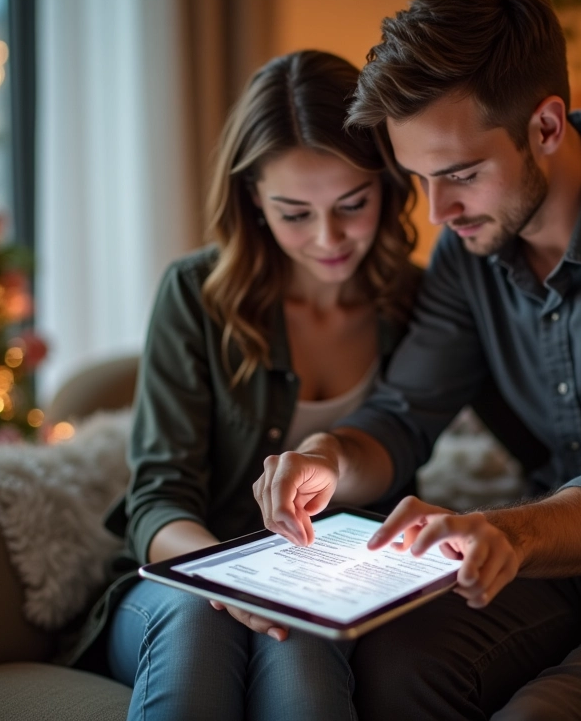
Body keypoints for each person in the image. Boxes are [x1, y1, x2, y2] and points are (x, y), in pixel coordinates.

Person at [255, 0, 581, 721]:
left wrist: (508, 532)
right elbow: (402, 418)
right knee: (392, 669)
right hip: (567, 563)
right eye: (417, 178)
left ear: (546, 127)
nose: (436, 211)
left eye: (459, 175)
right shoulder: (470, 251)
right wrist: (329, 456)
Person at [70, 49, 419, 721]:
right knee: (201, 617)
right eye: (295, 213)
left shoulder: (418, 303)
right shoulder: (195, 295)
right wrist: (232, 582)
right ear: (253, 199)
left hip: (334, 583)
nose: (329, 238)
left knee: (303, 643)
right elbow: (158, 502)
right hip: (183, 575)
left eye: (354, 203)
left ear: (390, 184)